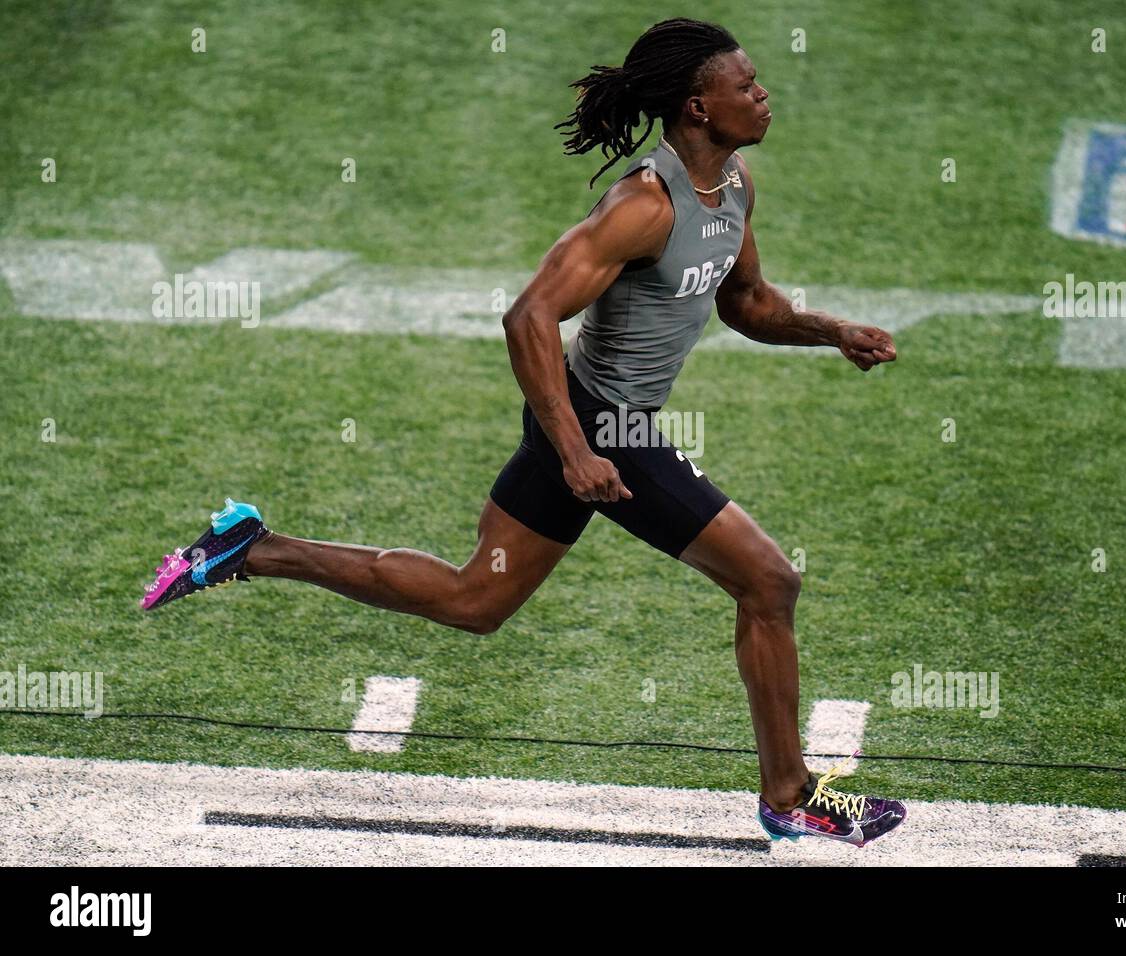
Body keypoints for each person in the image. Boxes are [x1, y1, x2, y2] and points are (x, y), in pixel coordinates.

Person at [139, 17, 904, 847]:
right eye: (746, 86)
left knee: (477, 600)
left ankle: (252, 548)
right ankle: (789, 791)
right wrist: (576, 449)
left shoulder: (736, 187)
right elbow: (528, 314)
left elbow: (747, 303)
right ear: (698, 107)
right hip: (603, 427)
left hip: (597, 423)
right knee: (769, 582)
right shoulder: (643, 206)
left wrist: (832, 331)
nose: (763, 94)